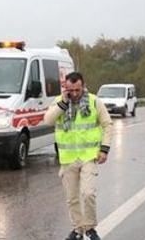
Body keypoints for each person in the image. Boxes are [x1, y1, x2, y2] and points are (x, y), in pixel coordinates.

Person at [44, 72, 113, 240]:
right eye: (71, 90)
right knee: (72, 198)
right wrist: (62, 104)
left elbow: (107, 125)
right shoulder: (59, 102)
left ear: (83, 86)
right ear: (65, 89)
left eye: (78, 90)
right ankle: (78, 230)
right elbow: (48, 121)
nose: (75, 94)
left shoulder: (94, 102)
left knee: (88, 193)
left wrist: (104, 149)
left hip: (89, 156)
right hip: (68, 159)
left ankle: (90, 228)